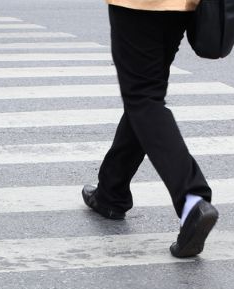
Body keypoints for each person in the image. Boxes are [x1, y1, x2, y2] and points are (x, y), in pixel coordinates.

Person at [82, 0, 218, 258]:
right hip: (181, 5)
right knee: (145, 95)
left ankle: (192, 201)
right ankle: (111, 192)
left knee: (143, 98)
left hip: (140, 4)